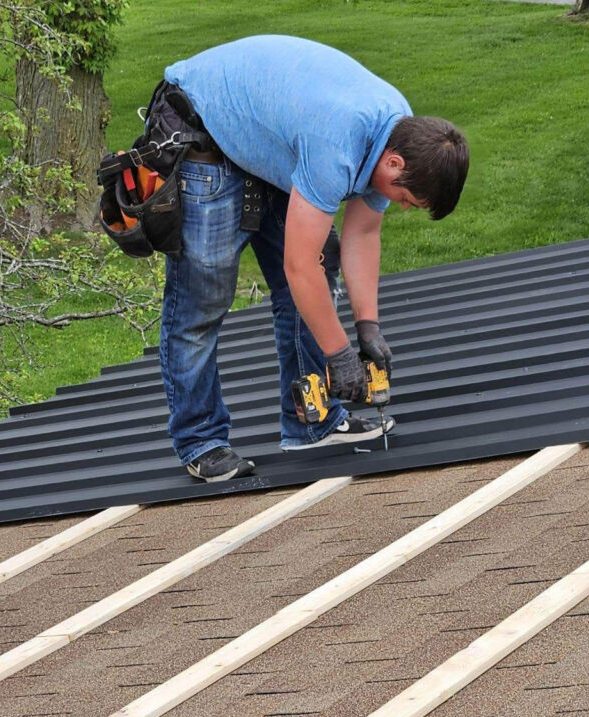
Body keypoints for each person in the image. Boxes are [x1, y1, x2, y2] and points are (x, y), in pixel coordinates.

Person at [157, 35, 469, 482]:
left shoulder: (398, 131)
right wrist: (339, 355)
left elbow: (363, 231)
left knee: (321, 271)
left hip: (266, 139)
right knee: (200, 301)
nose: (401, 206)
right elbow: (300, 266)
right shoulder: (337, 145)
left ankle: (311, 422)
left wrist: (367, 327)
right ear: (395, 163)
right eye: (406, 199)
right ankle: (200, 441)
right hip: (201, 126)